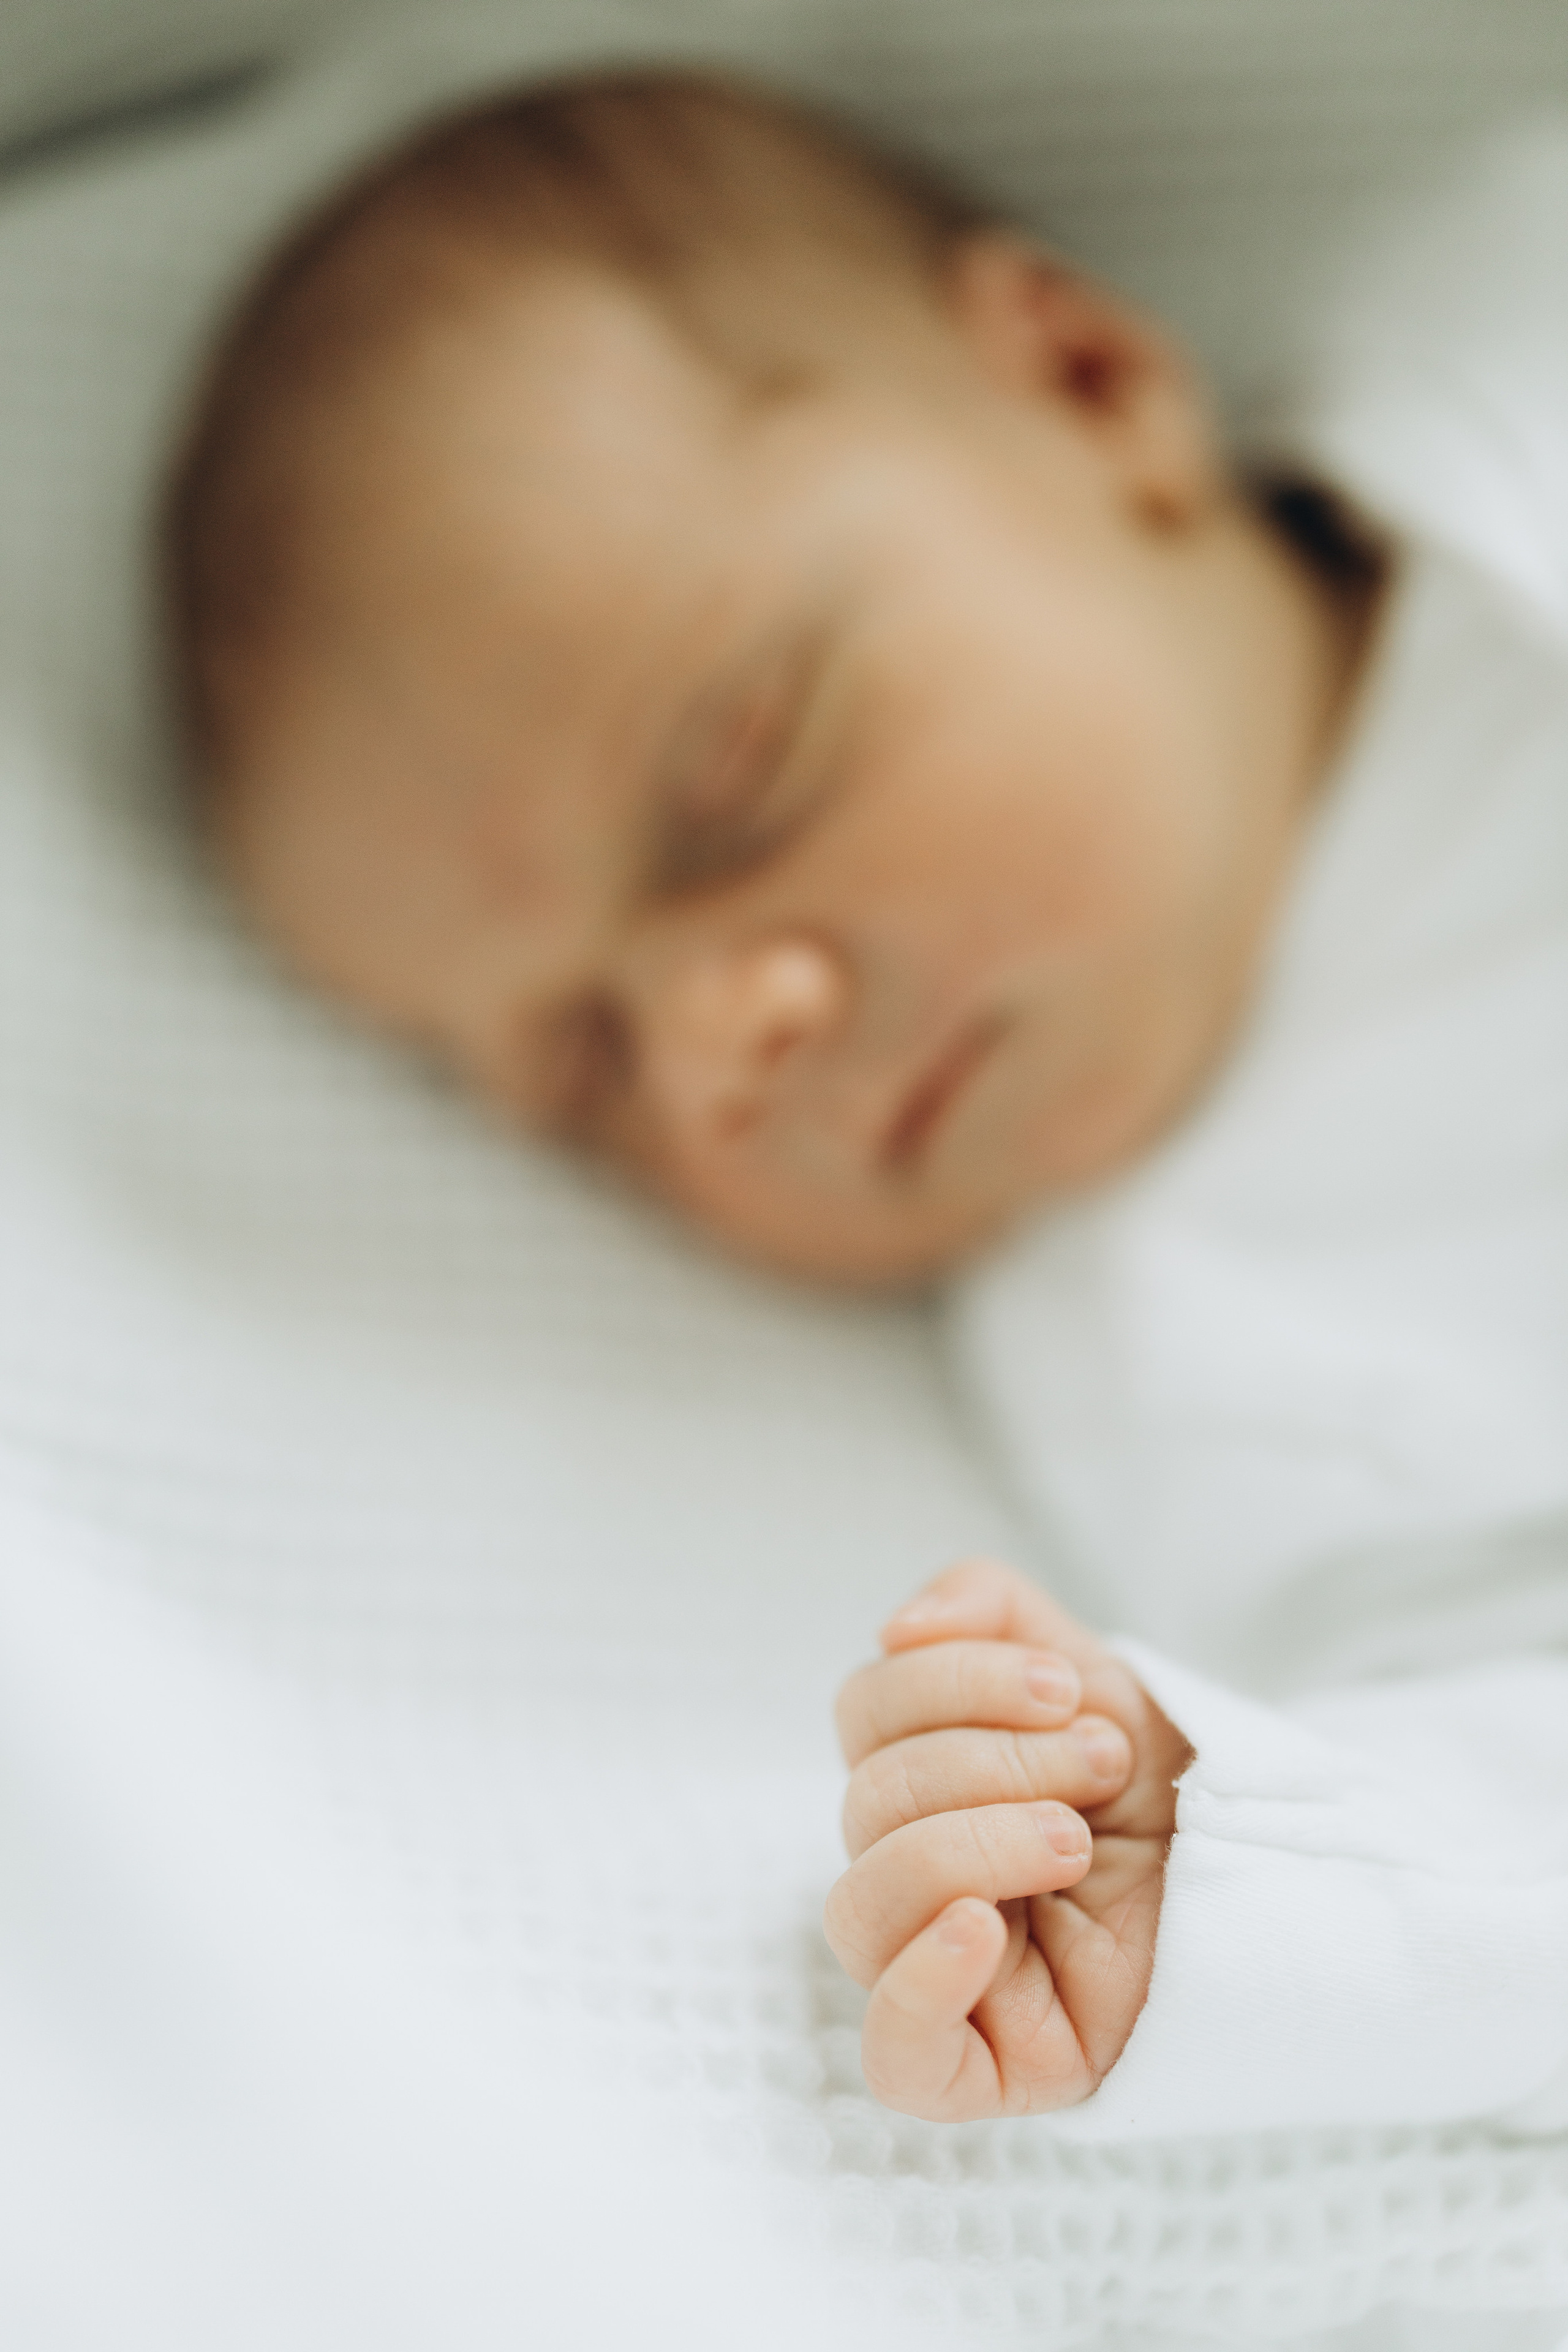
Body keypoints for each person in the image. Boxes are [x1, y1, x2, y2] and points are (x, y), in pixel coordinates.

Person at [162, 72, 1568, 2137]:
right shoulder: (1176, 1371)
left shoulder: (1500, 336)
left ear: (1085, 385)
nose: (725, 1040)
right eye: (586, 1067)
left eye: (749, 769)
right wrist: (1226, 1847)